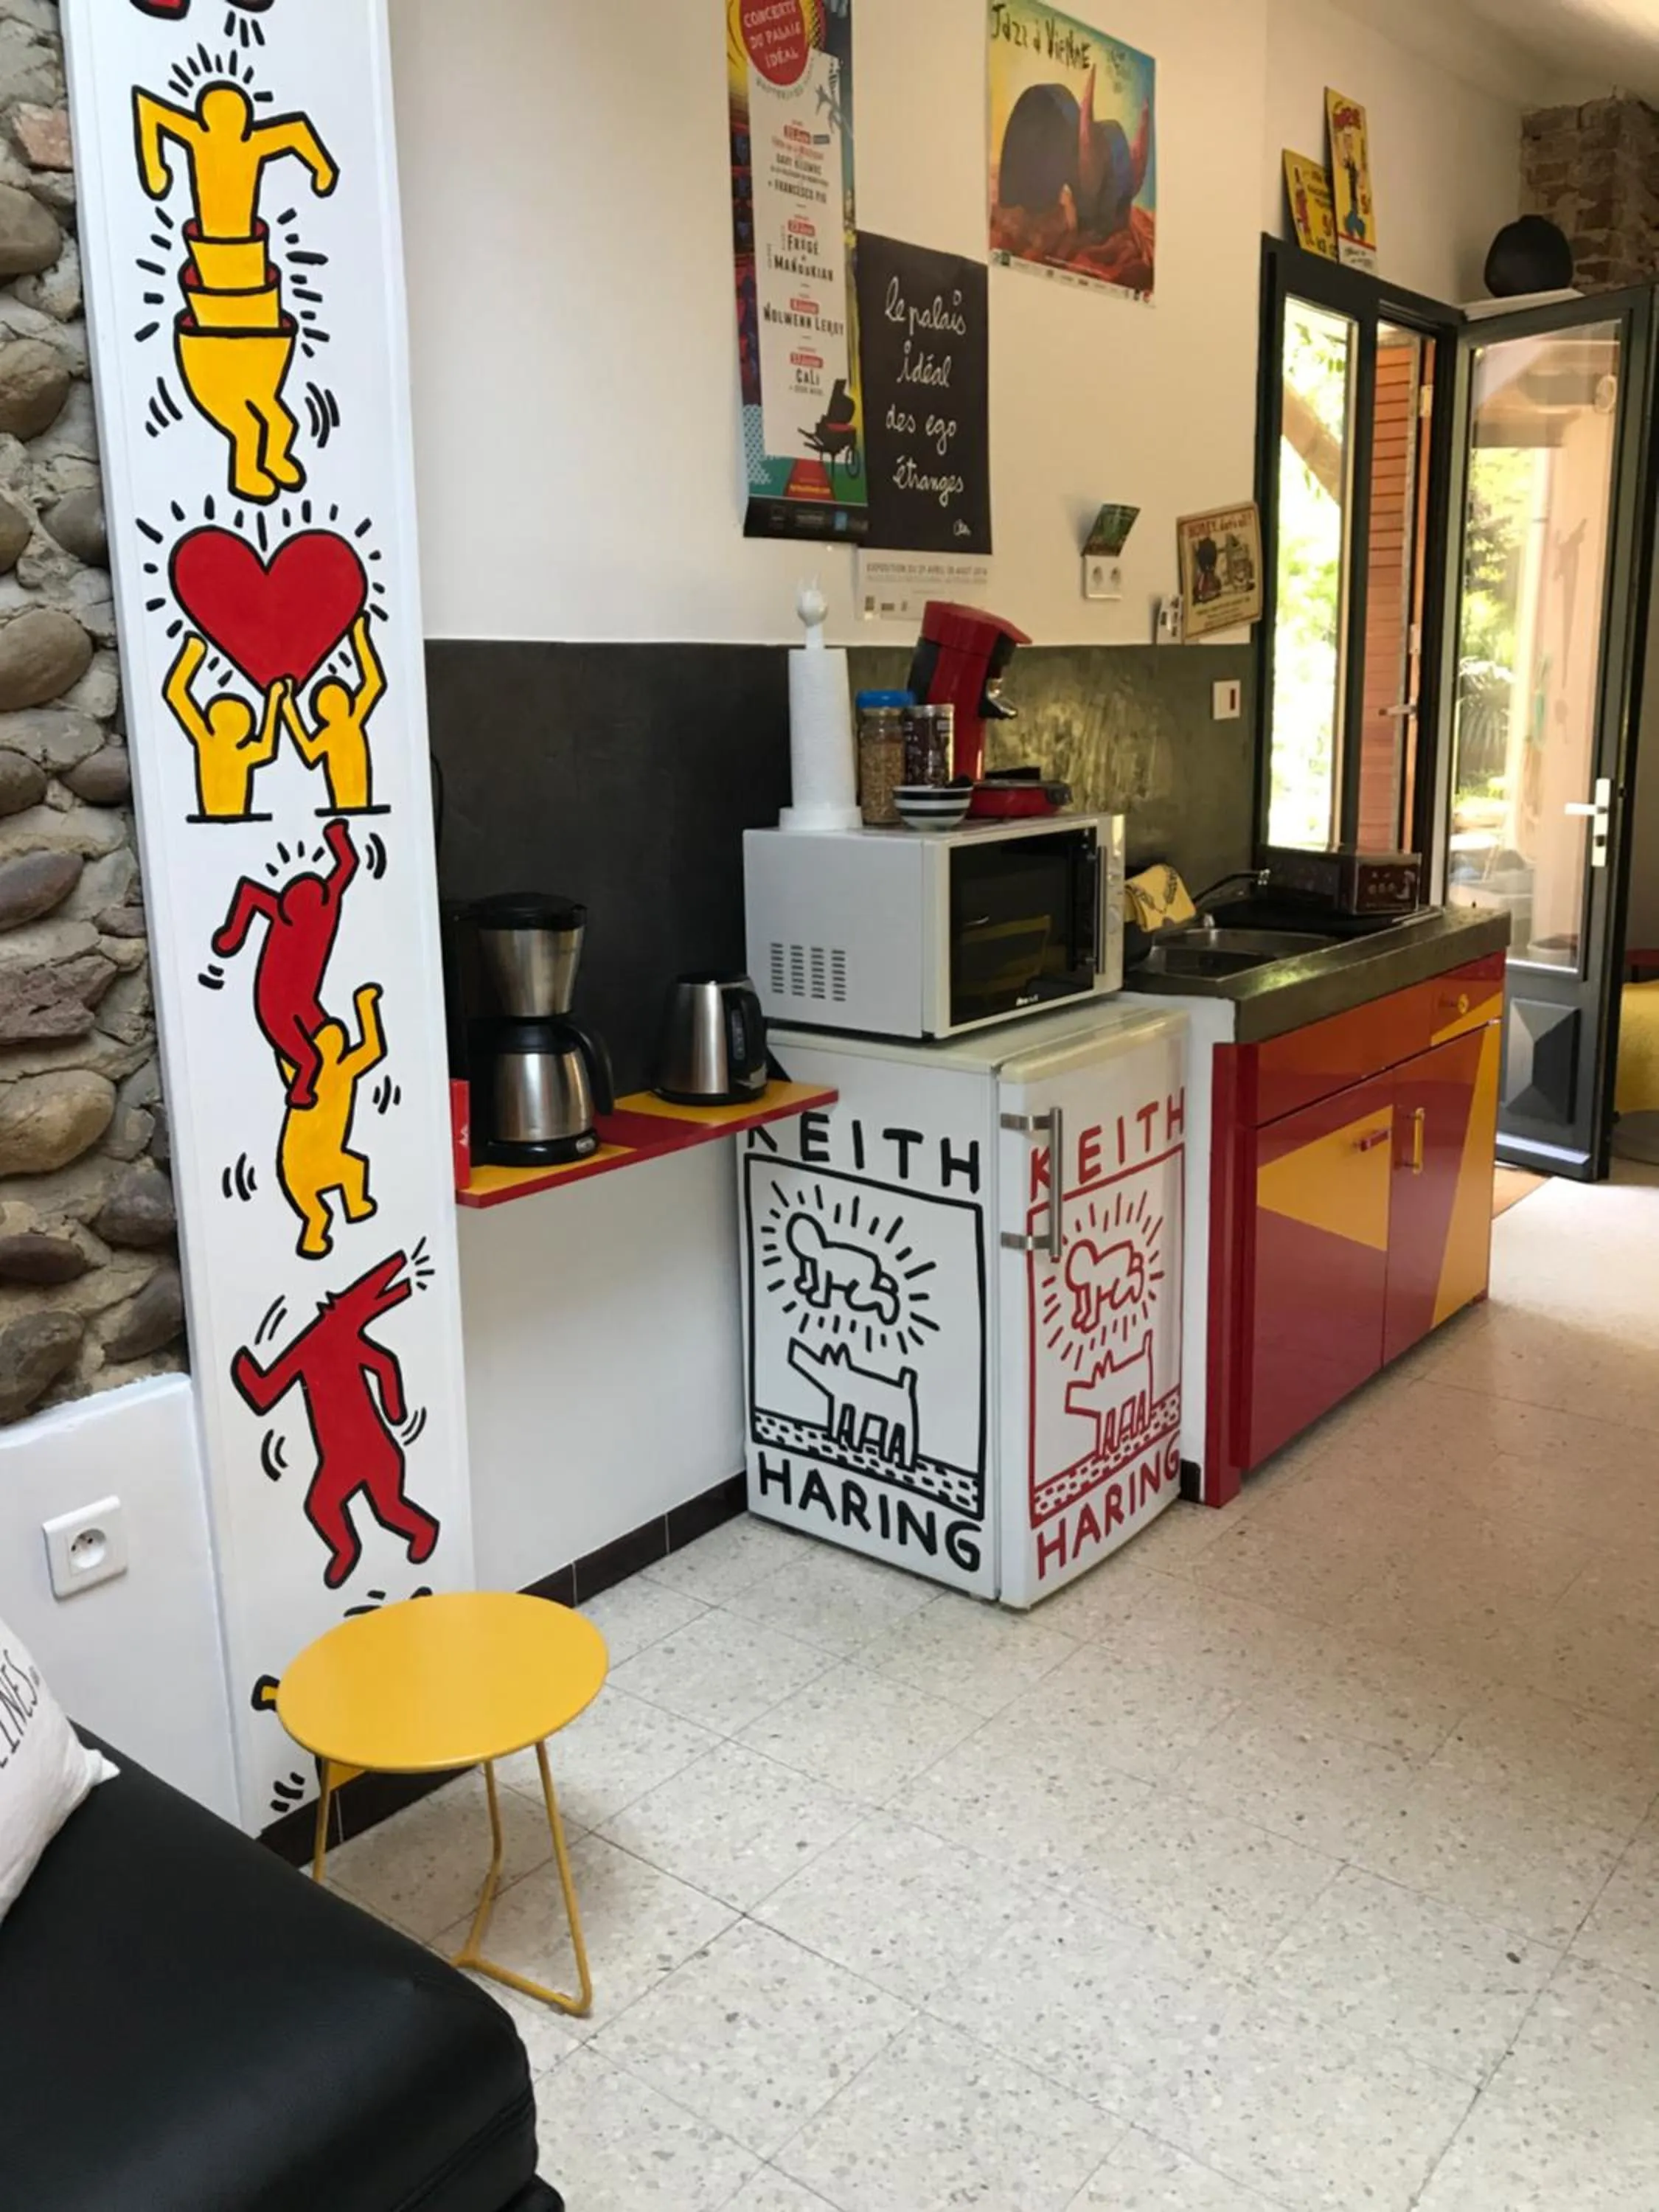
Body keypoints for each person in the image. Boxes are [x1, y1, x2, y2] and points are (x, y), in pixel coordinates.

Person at [164, 633, 285, 820]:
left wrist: (192, 655)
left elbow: (176, 692)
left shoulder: (208, 740)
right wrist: (274, 701)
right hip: (217, 819)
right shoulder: (209, 740)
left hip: (231, 819)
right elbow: (175, 694)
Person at [280, 615, 384, 813]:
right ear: (321, 712)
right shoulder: (331, 733)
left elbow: (374, 682)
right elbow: (308, 752)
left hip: (362, 802)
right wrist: (288, 708)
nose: (338, 703)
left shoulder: (354, 719)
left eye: (340, 696)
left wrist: (360, 638)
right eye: (331, 702)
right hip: (341, 805)